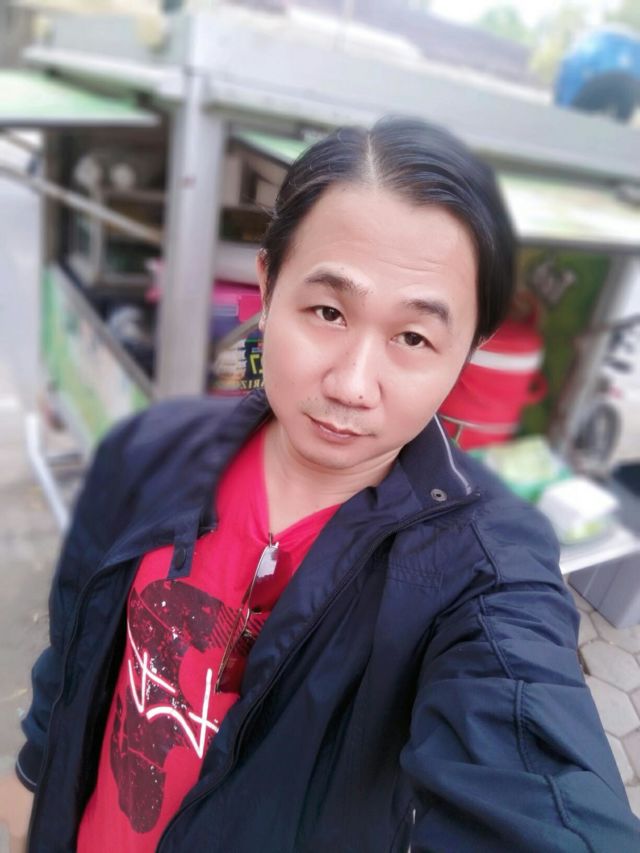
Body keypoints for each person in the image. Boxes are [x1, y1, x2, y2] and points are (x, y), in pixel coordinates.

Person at [1, 116, 639, 852]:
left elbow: (527, 757)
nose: (352, 385)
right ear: (267, 286)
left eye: (413, 337)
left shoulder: (484, 570)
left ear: (466, 352)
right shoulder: (147, 452)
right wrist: (35, 774)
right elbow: (77, 644)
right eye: (328, 311)